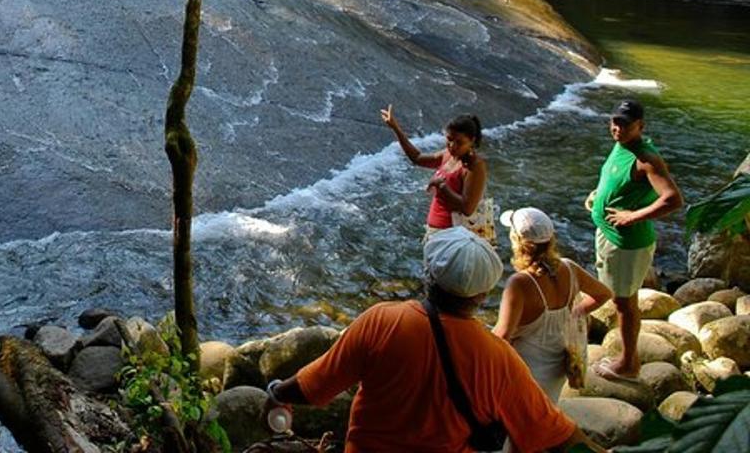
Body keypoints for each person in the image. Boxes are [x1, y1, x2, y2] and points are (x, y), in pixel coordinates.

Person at [263, 227, 608, 453]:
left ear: (428, 273)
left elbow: (314, 385)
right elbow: (558, 434)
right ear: (484, 293)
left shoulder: (382, 320)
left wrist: (277, 393)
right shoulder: (498, 358)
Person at [587, 98, 683, 381]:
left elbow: (673, 199)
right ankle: (627, 358)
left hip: (626, 243)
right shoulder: (623, 146)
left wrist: (633, 216)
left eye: (625, 124)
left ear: (640, 126)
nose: (617, 128)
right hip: (610, 236)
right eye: (615, 121)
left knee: (625, 304)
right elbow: (615, 180)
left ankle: (629, 363)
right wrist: (598, 196)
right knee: (620, 299)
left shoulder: (646, 158)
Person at [493, 207, 613, 402]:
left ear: (517, 239)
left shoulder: (520, 283)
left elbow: (502, 336)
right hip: (558, 366)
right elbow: (604, 294)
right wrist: (573, 313)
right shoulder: (569, 267)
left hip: (526, 371)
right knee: (545, 415)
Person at [381, 105, 493, 242]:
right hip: (436, 231)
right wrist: (396, 128)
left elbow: (467, 208)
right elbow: (417, 158)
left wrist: (442, 186)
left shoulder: (474, 166)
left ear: (472, 141)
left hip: (455, 237)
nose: (452, 146)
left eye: (459, 142)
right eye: (449, 139)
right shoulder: (448, 155)